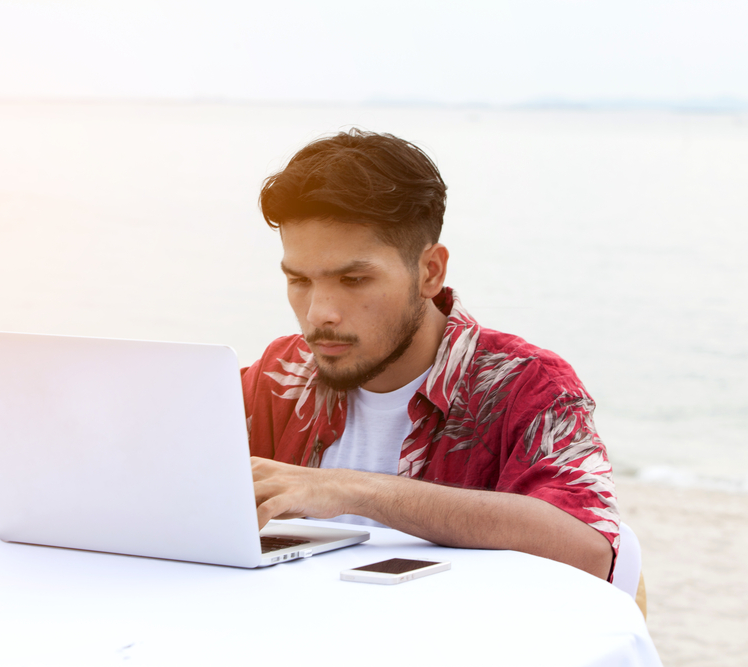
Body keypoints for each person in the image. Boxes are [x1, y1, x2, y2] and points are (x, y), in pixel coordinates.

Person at [243, 129, 619, 580]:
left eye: (354, 280)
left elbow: (589, 550)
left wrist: (351, 489)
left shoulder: (528, 385)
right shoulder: (280, 373)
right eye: (299, 281)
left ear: (430, 271)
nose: (318, 313)